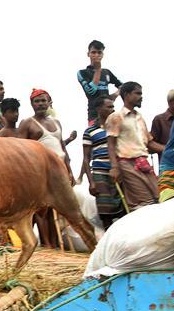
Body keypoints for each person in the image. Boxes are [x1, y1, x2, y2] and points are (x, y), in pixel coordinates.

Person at [18, 88, 75, 248]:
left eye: (44, 100)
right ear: (32, 104)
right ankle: (47, 245)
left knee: (57, 206)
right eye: (37, 101)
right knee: (42, 208)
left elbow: (62, 147)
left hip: (59, 170)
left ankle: (57, 243)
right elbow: (20, 149)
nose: (41, 104)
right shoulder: (27, 123)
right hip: (40, 171)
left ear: (49, 101)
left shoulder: (56, 123)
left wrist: (69, 170)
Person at [105, 82, 164, 211]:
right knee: (143, 203)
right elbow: (111, 144)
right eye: (138, 93)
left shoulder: (139, 117)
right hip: (127, 164)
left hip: (143, 162)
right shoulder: (116, 117)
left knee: (158, 198)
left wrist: (172, 150)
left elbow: (149, 143)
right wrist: (114, 167)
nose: (141, 97)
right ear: (126, 95)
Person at [82, 96, 124, 229]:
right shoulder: (90, 131)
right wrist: (91, 182)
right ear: (99, 109)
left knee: (124, 208)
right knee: (105, 212)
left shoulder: (119, 126)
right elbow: (86, 158)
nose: (113, 109)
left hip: (119, 171)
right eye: (109, 107)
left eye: (113, 107)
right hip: (100, 173)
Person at [77, 40, 123, 126]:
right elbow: (91, 91)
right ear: (88, 54)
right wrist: (98, 69)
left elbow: (123, 86)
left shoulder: (107, 72)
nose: (96, 55)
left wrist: (115, 95)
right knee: (98, 137)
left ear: (103, 55)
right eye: (93, 52)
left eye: (99, 53)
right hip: (94, 115)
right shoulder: (82, 73)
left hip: (109, 114)